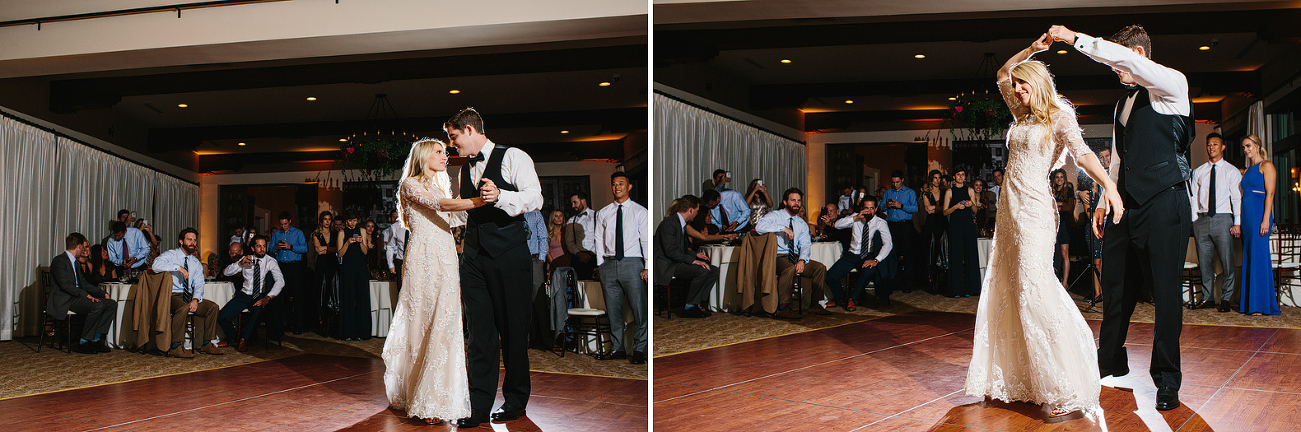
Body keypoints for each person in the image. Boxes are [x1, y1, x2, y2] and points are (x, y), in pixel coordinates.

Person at [965, 33, 1122, 417]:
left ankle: (1065, 381)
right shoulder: (1020, 116)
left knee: (1034, 289)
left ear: (1038, 83)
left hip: (1035, 211)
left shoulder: (1059, 116)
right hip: (1009, 213)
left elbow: (1083, 155)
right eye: (1016, 86)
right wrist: (1032, 49)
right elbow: (1002, 71)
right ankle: (1026, 378)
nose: (1017, 90)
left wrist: (1110, 187)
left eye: (1024, 84)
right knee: (1012, 288)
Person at [1054, 23, 1194, 411]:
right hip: (1125, 206)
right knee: (1115, 288)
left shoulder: (1172, 86)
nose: (1114, 70)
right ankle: (1109, 361)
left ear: (1138, 53)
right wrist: (1102, 201)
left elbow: (1118, 57)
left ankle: (1167, 380)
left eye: (1119, 61)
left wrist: (1073, 38)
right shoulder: (1121, 104)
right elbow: (1118, 159)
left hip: (1166, 202)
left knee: (1165, 295)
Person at [444, 108, 544, 427]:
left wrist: (500, 195)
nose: (452, 143)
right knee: (479, 334)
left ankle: (515, 401)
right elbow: (462, 214)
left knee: (514, 332)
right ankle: (478, 405)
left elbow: (535, 198)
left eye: (454, 136)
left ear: (470, 130)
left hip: (510, 254)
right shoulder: (463, 171)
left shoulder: (513, 156)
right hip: (473, 257)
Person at [383, 138, 489, 425]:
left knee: (446, 321)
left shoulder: (441, 185)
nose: (446, 156)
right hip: (423, 259)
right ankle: (421, 396)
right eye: (440, 152)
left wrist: (486, 204)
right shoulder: (411, 185)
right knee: (422, 323)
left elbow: (455, 216)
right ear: (424, 156)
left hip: (446, 257)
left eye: (445, 151)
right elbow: (441, 205)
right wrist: (480, 200)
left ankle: (439, 396)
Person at [593, 172, 650, 364]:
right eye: (614, 184)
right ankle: (617, 348)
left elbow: (646, 240)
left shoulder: (640, 212)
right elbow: (599, 240)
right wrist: (600, 265)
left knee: (639, 308)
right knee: (613, 310)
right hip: (608, 264)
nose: (617, 187)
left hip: (633, 263)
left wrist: (648, 266)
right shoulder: (603, 212)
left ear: (629, 186)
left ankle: (639, 349)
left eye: (621, 183)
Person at [754, 188, 832, 319]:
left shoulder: (801, 223)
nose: (796, 203)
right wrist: (782, 228)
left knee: (819, 268)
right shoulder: (775, 216)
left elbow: (806, 245)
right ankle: (783, 308)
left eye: (799, 200)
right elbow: (759, 227)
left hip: (795, 257)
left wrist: (802, 260)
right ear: (785, 202)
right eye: (793, 200)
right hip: (777, 256)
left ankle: (814, 305)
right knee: (789, 268)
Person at [152, 228, 224, 358]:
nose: (193, 243)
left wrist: (196, 299)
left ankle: (207, 344)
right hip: (172, 295)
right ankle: (176, 346)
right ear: (181, 241)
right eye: (189, 239)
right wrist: (177, 268)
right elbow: (155, 265)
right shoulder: (171, 255)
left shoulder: (195, 262)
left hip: (189, 296)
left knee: (212, 307)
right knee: (183, 307)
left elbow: (199, 284)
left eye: (194, 240)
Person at [1189, 133, 1241, 312]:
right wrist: (1194, 219)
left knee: (1227, 261)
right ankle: (1207, 298)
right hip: (1202, 220)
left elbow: (1236, 198)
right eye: (1209, 144)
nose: (1212, 147)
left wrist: (1238, 222)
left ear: (1223, 147)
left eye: (1215, 144)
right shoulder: (1199, 171)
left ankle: (1226, 298)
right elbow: (1194, 197)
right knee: (1205, 262)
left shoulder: (1231, 171)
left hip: (1223, 219)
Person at [48, 233, 116, 354]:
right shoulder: (59, 261)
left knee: (111, 304)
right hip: (66, 300)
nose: (84, 250)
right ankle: (83, 342)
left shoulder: (75, 263)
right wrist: (85, 295)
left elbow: (83, 284)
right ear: (79, 246)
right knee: (97, 305)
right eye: (83, 247)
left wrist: (101, 293)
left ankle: (95, 339)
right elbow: (65, 285)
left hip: (77, 298)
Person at [655, 194, 719, 318]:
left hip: (676, 261)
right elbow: (671, 251)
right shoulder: (669, 223)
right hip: (668, 265)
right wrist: (693, 261)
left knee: (713, 270)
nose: (696, 214)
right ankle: (689, 307)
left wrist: (696, 255)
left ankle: (697, 303)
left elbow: (681, 249)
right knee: (701, 271)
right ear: (690, 210)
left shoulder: (681, 224)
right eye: (696, 211)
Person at [824, 197, 893, 310]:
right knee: (829, 276)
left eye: (871, 208)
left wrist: (876, 260)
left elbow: (888, 244)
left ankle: (852, 299)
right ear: (862, 208)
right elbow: (837, 225)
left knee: (868, 271)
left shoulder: (881, 223)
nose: (869, 211)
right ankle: (841, 297)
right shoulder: (855, 217)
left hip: (867, 255)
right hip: (851, 255)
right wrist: (856, 217)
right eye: (866, 208)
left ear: (875, 209)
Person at [218, 235, 284, 352]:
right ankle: (233, 338)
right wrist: (239, 264)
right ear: (253, 248)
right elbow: (226, 272)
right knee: (222, 316)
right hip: (243, 295)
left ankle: (244, 339)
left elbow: (280, 281)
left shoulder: (270, 261)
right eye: (259, 246)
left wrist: (268, 297)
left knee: (257, 312)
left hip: (259, 295)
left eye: (264, 246)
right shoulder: (245, 259)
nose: (262, 249)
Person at [1238, 134, 1279, 316]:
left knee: (1259, 257)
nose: (1246, 150)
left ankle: (1260, 304)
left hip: (1259, 216)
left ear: (1256, 145)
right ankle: (1250, 303)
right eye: (1244, 147)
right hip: (1247, 218)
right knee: (1249, 256)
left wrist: (1265, 219)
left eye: (1248, 146)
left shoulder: (1267, 165)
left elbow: (1270, 194)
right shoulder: (1248, 170)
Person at [1078, 148, 1112, 303]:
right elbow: (1089, 208)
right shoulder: (1095, 180)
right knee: (1096, 261)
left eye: (1107, 156)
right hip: (1097, 225)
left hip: (1112, 223)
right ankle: (1098, 293)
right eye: (1102, 157)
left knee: (1109, 262)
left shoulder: (1115, 175)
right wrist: (1080, 191)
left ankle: (1108, 293)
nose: (1104, 159)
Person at [943, 168, 980, 297]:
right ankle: (956, 290)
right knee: (956, 256)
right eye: (958, 175)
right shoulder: (949, 192)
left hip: (968, 226)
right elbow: (944, 211)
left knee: (971, 255)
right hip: (955, 226)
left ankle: (972, 289)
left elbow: (975, 211)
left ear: (965, 177)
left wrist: (971, 205)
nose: (960, 177)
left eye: (962, 175)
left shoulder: (970, 190)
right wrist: (955, 207)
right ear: (954, 177)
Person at [335, 212, 371, 341]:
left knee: (362, 297)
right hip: (347, 268)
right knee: (348, 298)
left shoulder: (362, 230)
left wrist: (361, 242)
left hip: (360, 268)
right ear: (346, 221)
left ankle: (362, 332)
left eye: (354, 220)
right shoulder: (342, 233)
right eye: (350, 221)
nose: (352, 223)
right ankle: (348, 332)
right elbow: (340, 254)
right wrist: (347, 243)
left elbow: (365, 251)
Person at [270, 212, 307, 336]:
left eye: (285, 224)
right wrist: (277, 247)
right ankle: (285, 324)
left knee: (297, 296)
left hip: (295, 266)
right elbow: (270, 249)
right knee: (282, 296)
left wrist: (291, 246)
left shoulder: (298, 233)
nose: (283, 226)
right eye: (281, 224)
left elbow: (304, 248)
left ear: (290, 221)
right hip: (281, 267)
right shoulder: (276, 234)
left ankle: (298, 325)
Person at [883, 171, 919, 293]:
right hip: (891, 226)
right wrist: (887, 205)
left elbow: (915, 208)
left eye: (897, 182)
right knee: (893, 254)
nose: (895, 184)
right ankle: (894, 282)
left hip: (905, 225)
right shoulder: (888, 192)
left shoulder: (910, 192)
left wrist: (901, 206)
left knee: (908, 255)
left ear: (902, 180)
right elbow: (881, 207)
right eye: (893, 182)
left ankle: (908, 284)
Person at [920, 170, 948, 293]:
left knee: (943, 251)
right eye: (935, 178)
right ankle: (932, 283)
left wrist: (935, 207)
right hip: (931, 224)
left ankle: (943, 283)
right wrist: (940, 209)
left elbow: (945, 209)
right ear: (931, 179)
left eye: (939, 178)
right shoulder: (926, 193)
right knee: (931, 252)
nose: (937, 180)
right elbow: (928, 210)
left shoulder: (944, 192)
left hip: (942, 223)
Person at [1050, 168, 1075, 289]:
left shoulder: (1068, 189)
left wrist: (1057, 205)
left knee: (1065, 254)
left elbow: (1069, 208)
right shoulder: (1051, 190)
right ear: (1054, 179)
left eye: (1061, 177)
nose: (1059, 179)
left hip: (1064, 225)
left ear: (1064, 178)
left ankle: (1065, 283)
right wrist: (1060, 205)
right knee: (1053, 254)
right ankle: (1054, 281)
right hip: (1052, 225)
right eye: (1057, 177)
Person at [564, 192, 598, 280]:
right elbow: (569, 241)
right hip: (578, 257)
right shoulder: (571, 221)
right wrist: (579, 254)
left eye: (575, 202)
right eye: (572, 203)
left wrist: (593, 253)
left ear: (583, 201)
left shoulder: (597, 216)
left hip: (595, 256)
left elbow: (602, 237)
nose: (573, 206)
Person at [524, 211, 549, 297]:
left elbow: (543, 236)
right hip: (515, 259)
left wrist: (541, 258)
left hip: (534, 259)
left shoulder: (535, 213)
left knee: (538, 293)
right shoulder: (509, 211)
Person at [382, 211, 408, 289]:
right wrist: (391, 264)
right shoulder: (395, 227)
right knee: (401, 292)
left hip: (418, 263)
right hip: (401, 263)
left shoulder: (420, 226)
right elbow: (390, 246)